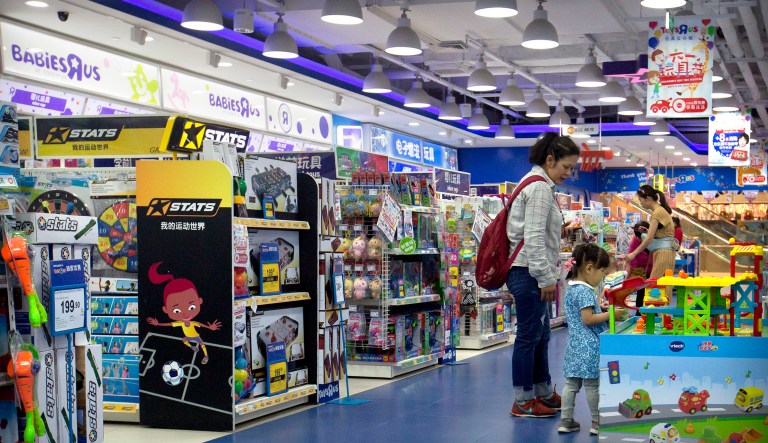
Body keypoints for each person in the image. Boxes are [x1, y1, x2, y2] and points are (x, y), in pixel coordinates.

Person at [507, 132, 580, 418]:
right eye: (566, 166)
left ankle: (543, 391)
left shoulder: (539, 185)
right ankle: (523, 400)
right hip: (528, 273)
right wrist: (546, 277)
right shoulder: (538, 188)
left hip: (532, 273)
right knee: (529, 335)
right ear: (550, 160)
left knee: (541, 334)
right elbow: (534, 238)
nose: (569, 173)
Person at [558, 244, 623, 435]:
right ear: (588, 268)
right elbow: (588, 319)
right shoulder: (585, 291)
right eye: (602, 271)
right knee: (592, 385)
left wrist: (598, 309)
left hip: (574, 345)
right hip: (589, 345)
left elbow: (581, 315)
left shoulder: (571, 288)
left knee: (571, 385)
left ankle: (566, 420)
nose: (602, 276)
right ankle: (596, 423)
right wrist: (611, 314)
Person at [625, 185, 677, 279]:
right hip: (666, 252)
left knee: (657, 284)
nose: (640, 204)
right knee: (663, 283)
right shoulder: (661, 211)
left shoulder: (657, 213)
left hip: (663, 253)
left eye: (640, 200)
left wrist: (634, 253)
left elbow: (649, 238)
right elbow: (662, 233)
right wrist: (649, 231)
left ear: (648, 198)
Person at [627, 221, 652, 313]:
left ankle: (653, 312)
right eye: (638, 237)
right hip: (641, 271)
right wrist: (627, 277)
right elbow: (630, 259)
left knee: (654, 294)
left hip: (654, 270)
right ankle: (639, 312)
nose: (640, 240)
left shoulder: (654, 240)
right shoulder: (635, 241)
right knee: (641, 292)